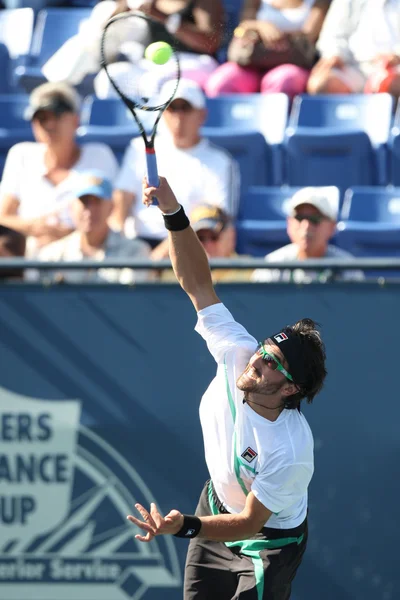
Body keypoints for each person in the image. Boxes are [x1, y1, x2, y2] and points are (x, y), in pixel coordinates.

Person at [126, 175, 327, 600]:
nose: (259, 358)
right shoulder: (239, 351)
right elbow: (198, 283)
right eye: (265, 349)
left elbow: (251, 522)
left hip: (267, 542)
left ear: (290, 389)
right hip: (216, 506)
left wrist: (184, 526)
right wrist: (172, 210)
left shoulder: (291, 450)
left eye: (273, 363)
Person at [113, 78, 240, 247]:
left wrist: (158, 258)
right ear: (163, 113)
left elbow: (214, 219)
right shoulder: (138, 148)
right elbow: (121, 202)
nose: (179, 117)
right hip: (136, 247)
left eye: (186, 109)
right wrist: (117, 243)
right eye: (172, 108)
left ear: (202, 115)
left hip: (189, 246)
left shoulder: (221, 162)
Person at [0, 82, 118, 257]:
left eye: (56, 115)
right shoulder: (21, 154)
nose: (48, 124)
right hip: (26, 255)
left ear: (76, 120)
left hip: (84, 255)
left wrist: (69, 236)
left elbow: (114, 213)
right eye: (41, 118)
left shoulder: (99, 155)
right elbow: (4, 216)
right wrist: (35, 227)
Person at [42, 0, 224, 95]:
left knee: (154, 83)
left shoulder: (205, 1)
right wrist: (126, 6)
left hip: (199, 63)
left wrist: (165, 18)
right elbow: (108, 24)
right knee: (111, 77)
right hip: (156, 64)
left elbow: (209, 44)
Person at [35, 173, 151, 284]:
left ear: (111, 207)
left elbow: (129, 299)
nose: (90, 211)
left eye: (97, 202)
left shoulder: (135, 252)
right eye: (84, 202)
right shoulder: (51, 256)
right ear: (71, 208)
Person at [205, 0, 330, 99]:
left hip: (295, 63)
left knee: (282, 82)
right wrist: (261, 26)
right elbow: (243, 26)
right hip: (251, 62)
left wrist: (275, 34)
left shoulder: (319, 2)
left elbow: (309, 35)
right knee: (221, 82)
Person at [251, 186, 364, 283]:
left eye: (315, 219)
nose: (306, 226)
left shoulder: (348, 269)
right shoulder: (271, 267)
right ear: (289, 224)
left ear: (332, 227)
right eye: (299, 218)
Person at [307, 0, 400, 96]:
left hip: (395, 67)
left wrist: (396, 56)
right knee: (321, 84)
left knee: (393, 84)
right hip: (354, 66)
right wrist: (335, 54)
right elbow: (331, 34)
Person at [154, 204, 253, 282]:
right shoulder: (178, 274)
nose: (208, 245)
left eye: (214, 237)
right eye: (200, 238)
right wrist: (178, 230)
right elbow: (152, 267)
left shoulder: (249, 270)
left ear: (229, 236)